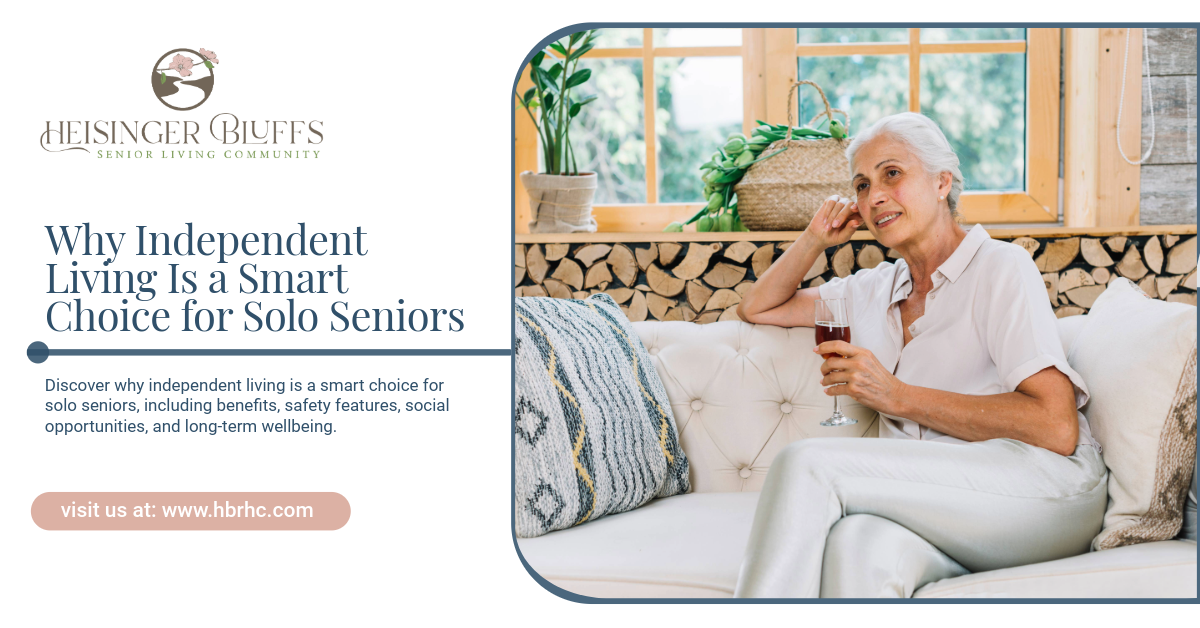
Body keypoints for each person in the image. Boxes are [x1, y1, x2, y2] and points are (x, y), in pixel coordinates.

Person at [732, 112, 1107, 598]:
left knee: (807, 464)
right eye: (862, 185)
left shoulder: (1000, 268)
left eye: (892, 174)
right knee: (858, 546)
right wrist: (814, 238)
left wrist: (896, 395)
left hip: (1042, 489)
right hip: (943, 501)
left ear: (941, 182)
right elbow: (759, 307)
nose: (874, 196)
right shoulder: (876, 288)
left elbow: (1056, 426)